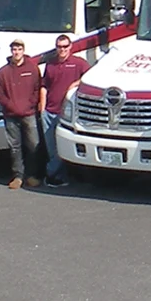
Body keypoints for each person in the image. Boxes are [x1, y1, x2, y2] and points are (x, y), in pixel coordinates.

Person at [0, 40, 44, 189]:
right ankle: (18, 176)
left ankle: (32, 175)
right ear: (11, 51)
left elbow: (37, 88)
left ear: (23, 50)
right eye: (14, 49)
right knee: (15, 147)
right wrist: (11, 106)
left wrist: (30, 104)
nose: (16, 52)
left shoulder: (32, 68)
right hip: (10, 115)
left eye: (19, 49)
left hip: (29, 113)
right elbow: (0, 95)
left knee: (33, 144)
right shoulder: (3, 72)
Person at [40, 35, 89, 188]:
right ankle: (58, 177)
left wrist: (75, 83)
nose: (62, 49)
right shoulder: (50, 64)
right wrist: (42, 108)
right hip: (49, 111)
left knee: (63, 146)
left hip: (66, 113)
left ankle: (52, 174)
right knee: (51, 147)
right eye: (59, 47)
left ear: (70, 46)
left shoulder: (78, 63)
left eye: (65, 46)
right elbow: (44, 86)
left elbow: (89, 77)